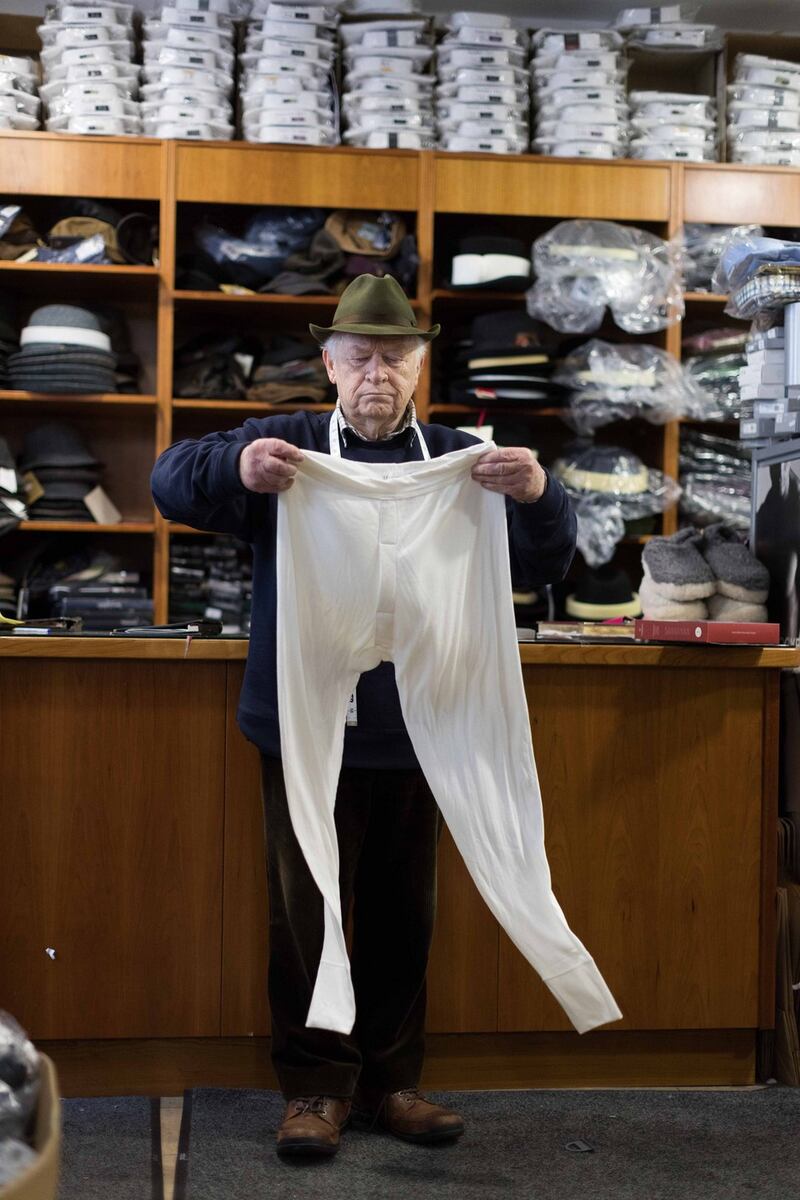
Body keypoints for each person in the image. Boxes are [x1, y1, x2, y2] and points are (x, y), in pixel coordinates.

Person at [151, 274, 577, 1160]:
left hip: (424, 729)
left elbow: (546, 562)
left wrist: (540, 492)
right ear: (329, 364)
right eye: (360, 357)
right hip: (303, 724)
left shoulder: (466, 457)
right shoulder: (290, 447)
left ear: (421, 363)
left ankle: (393, 1084)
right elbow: (170, 484)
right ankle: (314, 1089)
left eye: (394, 356)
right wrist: (235, 466)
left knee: (402, 913)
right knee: (303, 912)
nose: (377, 373)